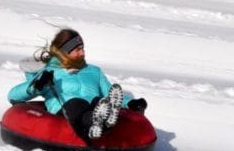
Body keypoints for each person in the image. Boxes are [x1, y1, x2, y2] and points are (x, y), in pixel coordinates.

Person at [8, 28, 147, 142]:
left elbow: (109, 93)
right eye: (78, 49)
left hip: (95, 107)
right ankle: (94, 121)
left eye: (83, 48)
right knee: (76, 103)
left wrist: (130, 103)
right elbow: (13, 96)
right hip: (66, 111)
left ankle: (104, 118)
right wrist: (36, 86)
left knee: (99, 101)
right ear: (65, 52)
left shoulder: (94, 71)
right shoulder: (48, 72)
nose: (83, 52)